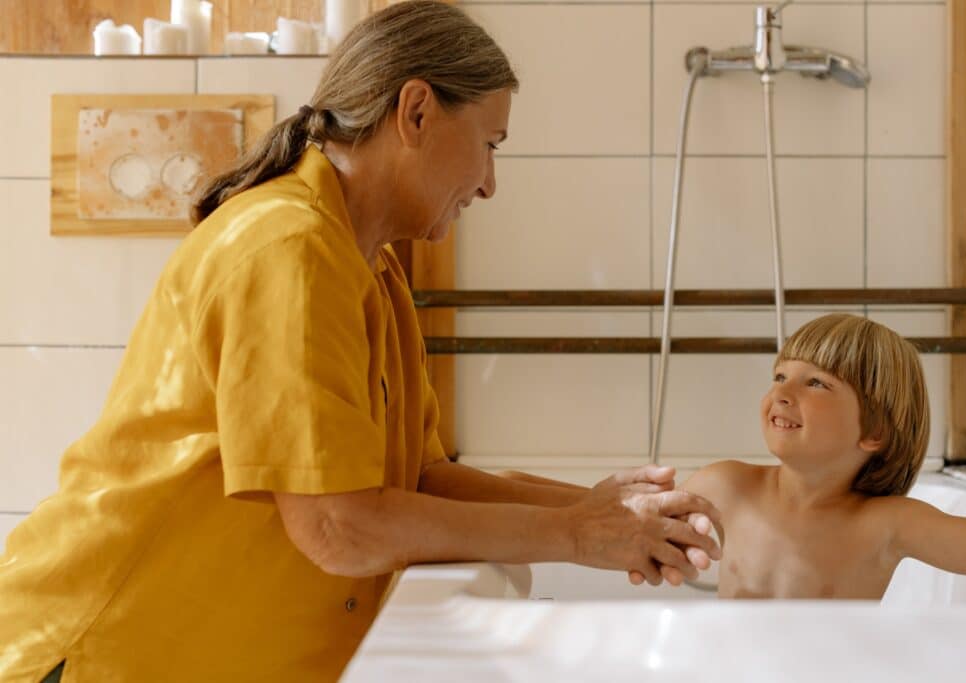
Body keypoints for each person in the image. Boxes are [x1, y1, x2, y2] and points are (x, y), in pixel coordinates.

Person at [0, 3, 721, 681]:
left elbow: (418, 479)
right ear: (415, 112)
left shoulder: (367, 269)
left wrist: (602, 510)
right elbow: (337, 525)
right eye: (489, 145)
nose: (490, 183)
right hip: (97, 652)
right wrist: (574, 536)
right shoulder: (288, 248)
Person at [674, 313, 966, 599]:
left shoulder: (887, 524)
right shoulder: (724, 487)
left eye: (816, 383)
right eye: (780, 376)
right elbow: (638, 532)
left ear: (875, 432)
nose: (782, 391)